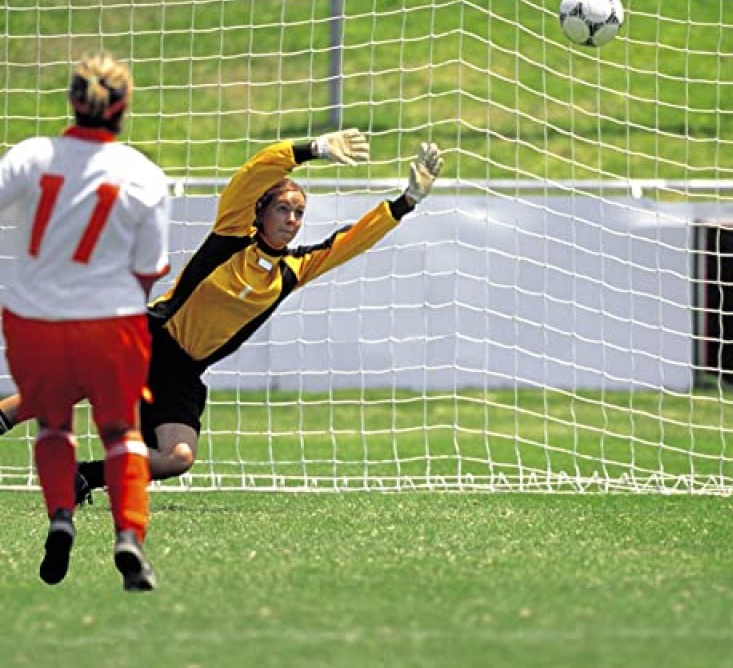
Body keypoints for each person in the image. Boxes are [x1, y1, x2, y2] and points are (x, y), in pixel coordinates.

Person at [0, 127, 443, 503]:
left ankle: (83, 478)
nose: (292, 219)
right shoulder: (232, 234)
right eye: (283, 209)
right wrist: (313, 149)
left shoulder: (293, 270)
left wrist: (405, 202)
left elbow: (351, 241)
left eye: (299, 213)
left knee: (178, 458)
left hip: (184, 372)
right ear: (260, 212)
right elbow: (253, 174)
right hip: (150, 337)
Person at [0, 51, 170, 591]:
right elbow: (149, 271)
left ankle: (60, 517)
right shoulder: (144, 175)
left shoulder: (30, 157)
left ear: (73, 100)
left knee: (53, 426)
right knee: (122, 434)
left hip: (34, 321)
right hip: (110, 322)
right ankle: (128, 536)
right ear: (123, 107)